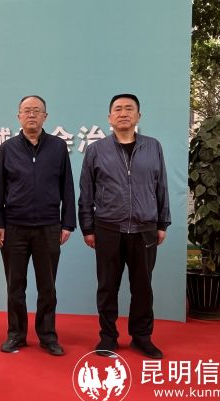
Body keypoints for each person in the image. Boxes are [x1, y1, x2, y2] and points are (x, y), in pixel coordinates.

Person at [78, 94, 170, 359]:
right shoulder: (96, 150)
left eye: (129, 108)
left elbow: (161, 185)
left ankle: (142, 337)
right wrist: (87, 227)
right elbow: (86, 191)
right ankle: (108, 336)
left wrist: (162, 222)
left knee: (142, 287)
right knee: (107, 287)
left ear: (138, 116)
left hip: (145, 228)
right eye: (117, 109)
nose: (123, 113)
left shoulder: (153, 147)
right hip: (108, 227)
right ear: (109, 118)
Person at [0, 95, 76, 356]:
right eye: (26, 111)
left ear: (45, 117)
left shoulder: (58, 147)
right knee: (15, 286)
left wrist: (67, 223)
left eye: (36, 111)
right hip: (14, 227)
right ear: (19, 116)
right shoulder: (7, 148)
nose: (31, 115)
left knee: (47, 287)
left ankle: (48, 336)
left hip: (49, 226)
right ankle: (16, 334)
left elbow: (67, 186)